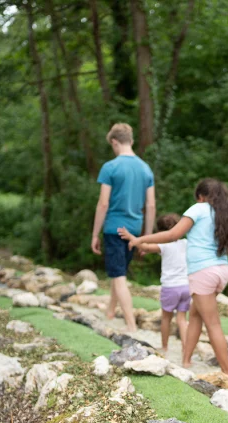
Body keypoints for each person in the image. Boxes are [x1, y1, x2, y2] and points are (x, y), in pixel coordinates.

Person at [120, 179, 228, 376]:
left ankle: (227, 373)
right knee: (195, 314)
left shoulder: (198, 209)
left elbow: (173, 234)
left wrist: (141, 239)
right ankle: (186, 361)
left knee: (213, 323)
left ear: (201, 196)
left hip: (203, 272)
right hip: (221, 272)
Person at [91, 123, 156, 332]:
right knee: (118, 272)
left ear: (114, 142)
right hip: (135, 230)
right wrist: (147, 237)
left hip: (113, 229)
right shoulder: (146, 168)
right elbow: (151, 205)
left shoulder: (110, 167)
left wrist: (94, 234)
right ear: (132, 141)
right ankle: (110, 311)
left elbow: (103, 204)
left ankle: (130, 325)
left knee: (119, 277)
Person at [119, 213, 190, 353]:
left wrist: (130, 237)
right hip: (186, 287)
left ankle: (164, 347)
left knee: (166, 318)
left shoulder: (164, 246)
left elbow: (144, 247)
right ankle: (186, 350)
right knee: (182, 319)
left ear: (160, 232)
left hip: (170, 287)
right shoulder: (186, 243)